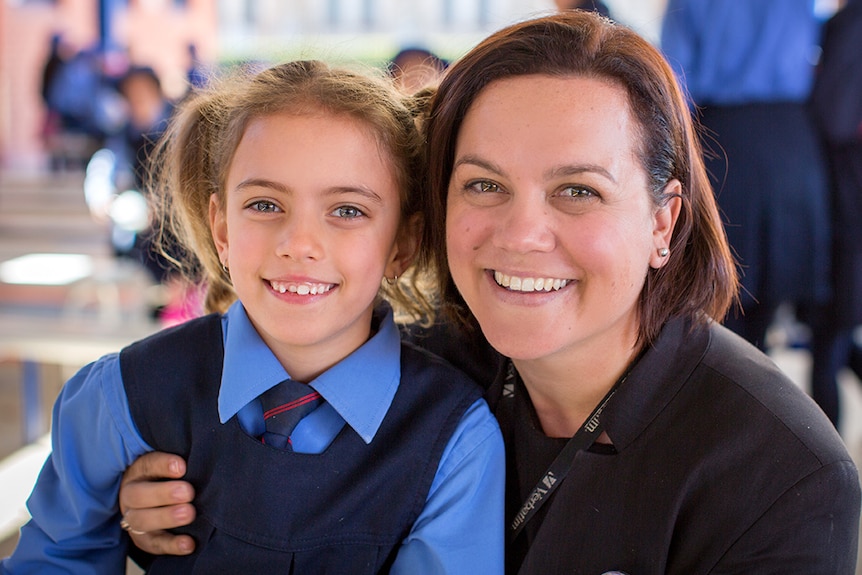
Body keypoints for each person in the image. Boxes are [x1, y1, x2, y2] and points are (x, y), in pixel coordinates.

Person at [120, 11, 861, 574]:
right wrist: (171, 507)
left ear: (663, 221)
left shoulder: (783, 475)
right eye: (483, 184)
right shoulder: (404, 373)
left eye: (577, 190)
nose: (521, 232)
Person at [0, 60, 505, 574]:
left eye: (348, 210)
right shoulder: (121, 399)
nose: (299, 244)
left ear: (403, 241)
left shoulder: (457, 443)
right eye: (265, 205)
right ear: (221, 229)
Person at [661, 0, 832, 350]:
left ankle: (733, 385)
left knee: (720, 286)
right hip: (791, 146)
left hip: (723, 144)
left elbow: (674, 82)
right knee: (773, 287)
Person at [807, 0, 862, 428]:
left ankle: (826, 475)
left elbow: (837, 118)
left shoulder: (851, 23)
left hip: (847, 203)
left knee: (831, 337)